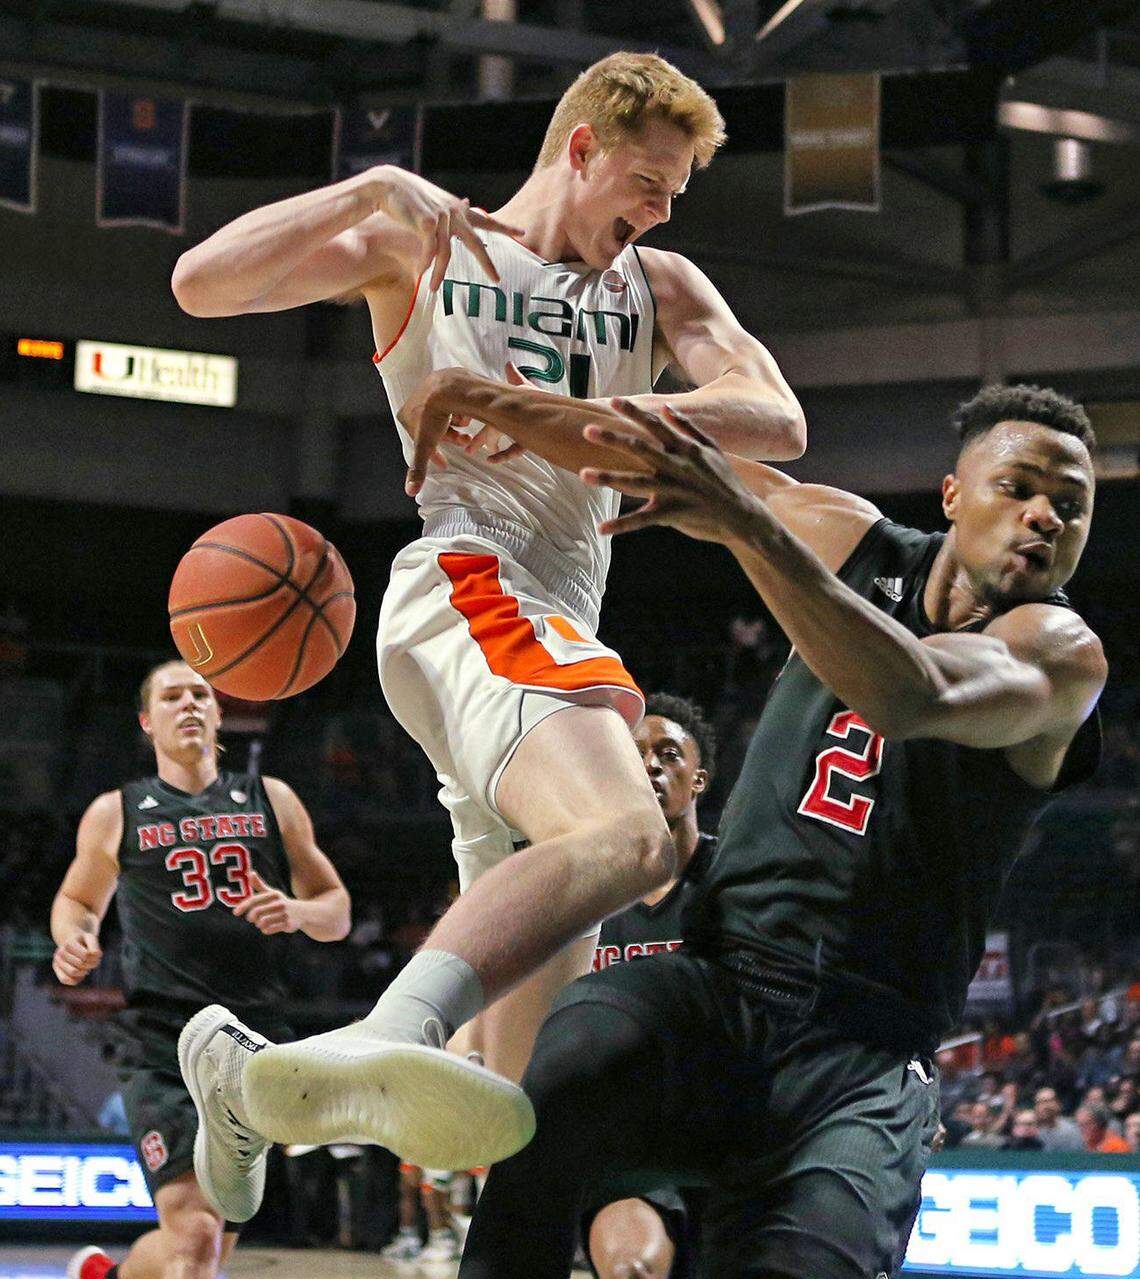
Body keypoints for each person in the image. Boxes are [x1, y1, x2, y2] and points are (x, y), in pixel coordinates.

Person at [171, 50, 805, 1202]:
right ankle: (386, 1029)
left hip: (541, 637)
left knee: (511, 1125)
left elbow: (775, 418)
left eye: (674, 195)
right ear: (582, 148)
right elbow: (200, 285)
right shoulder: (433, 243)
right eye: (650, 183)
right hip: (474, 586)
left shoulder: (659, 287)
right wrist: (367, 191)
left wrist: (573, 416)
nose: (662, 211)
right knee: (637, 835)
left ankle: (246, 1083)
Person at [457, 381, 1105, 1278]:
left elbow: (915, 691)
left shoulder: (1062, 654)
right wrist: (474, 398)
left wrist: (750, 529)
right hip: (722, 989)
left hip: (866, 1054)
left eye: (1070, 506)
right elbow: (648, 451)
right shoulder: (852, 539)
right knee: (563, 1069)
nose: (1043, 516)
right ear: (953, 494)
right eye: (1020, 488)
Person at [55, 660, 350, 1279]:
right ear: (146, 720)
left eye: (200, 695)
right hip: (162, 1041)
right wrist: (75, 940)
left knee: (205, 1246)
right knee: (193, 1238)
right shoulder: (118, 811)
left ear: (218, 714)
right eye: (171, 696)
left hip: (253, 1047)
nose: (188, 704)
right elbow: (78, 901)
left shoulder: (273, 798)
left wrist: (296, 911)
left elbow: (336, 913)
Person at [586, 693, 716, 1279]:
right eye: (634, 755)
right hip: (629, 1148)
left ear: (698, 781)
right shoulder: (582, 893)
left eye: (668, 754)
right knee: (631, 1270)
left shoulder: (742, 880)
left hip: (737, 1138)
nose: (650, 766)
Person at [1033, 1085, 1085, 1152]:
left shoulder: (1071, 1131)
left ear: (1058, 1104)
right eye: (1039, 1102)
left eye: (1048, 1101)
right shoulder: (1031, 1129)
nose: (1044, 1106)